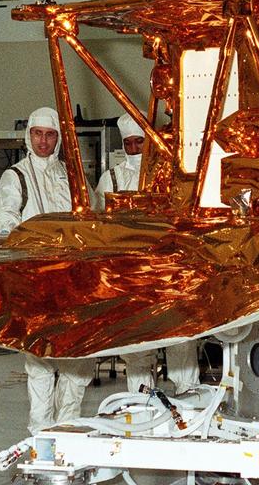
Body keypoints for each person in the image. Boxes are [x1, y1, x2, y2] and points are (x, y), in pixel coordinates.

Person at [0, 107, 93, 433]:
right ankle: (41, 434)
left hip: (73, 279)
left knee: (78, 361)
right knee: (39, 362)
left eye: (50, 135)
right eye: (38, 134)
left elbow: (93, 219)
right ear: (28, 136)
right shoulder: (15, 176)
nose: (43, 141)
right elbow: (3, 221)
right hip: (35, 279)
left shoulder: (72, 175)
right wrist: (35, 241)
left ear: (58, 139)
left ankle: (68, 429)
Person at [97, 114, 200, 394]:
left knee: (180, 338)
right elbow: (101, 228)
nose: (133, 148)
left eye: (139, 142)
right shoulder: (112, 178)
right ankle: (141, 404)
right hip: (131, 274)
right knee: (138, 347)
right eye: (128, 143)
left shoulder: (169, 178)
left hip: (168, 271)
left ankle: (188, 396)